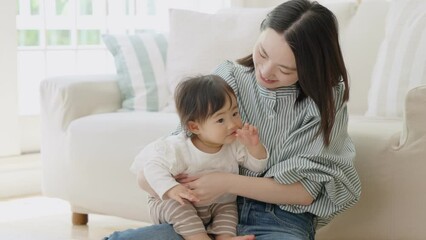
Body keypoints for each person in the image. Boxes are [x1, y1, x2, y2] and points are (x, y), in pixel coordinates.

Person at [105, 0, 361, 239]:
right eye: (262, 52)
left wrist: (226, 182)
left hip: (280, 219)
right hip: (204, 217)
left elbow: (304, 193)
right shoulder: (230, 78)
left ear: (312, 67)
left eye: (285, 69)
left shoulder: (326, 100)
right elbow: (168, 157)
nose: (265, 71)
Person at [129, 75, 268, 240]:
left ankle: (225, 237)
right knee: (179, 207)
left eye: (235, 113)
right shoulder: (179, 148)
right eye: (221, 120)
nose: (233, 124)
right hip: (177, 203)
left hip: (218, 203)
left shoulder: (234, 144)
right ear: (195, 127)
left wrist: (254, 146)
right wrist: (172, 189)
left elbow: (257, 167)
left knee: (229, 208)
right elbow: (152, 167)